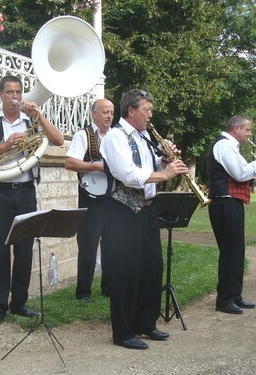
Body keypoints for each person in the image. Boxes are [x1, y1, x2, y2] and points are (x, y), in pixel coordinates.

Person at [0, 75, 64, 329]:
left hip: (25, 192)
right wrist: (5, 145)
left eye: (18, 92)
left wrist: (40, 115)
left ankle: (19, 302)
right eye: (9, 92)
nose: (14, 97)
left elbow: (58, 140)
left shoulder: (31, 118)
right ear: (0, 95)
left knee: (24, 249)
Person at [100, 89, 188, 350]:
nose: (150, 115)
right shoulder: (116, 137)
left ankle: (145, 323)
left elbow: (150, 169)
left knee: (151, 269)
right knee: (126, 273)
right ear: (131, 111)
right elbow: (128, 174)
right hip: (122, 212)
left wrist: (164, 162)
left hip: (147, 210)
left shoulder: (144, 136)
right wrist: (165, 175)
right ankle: (123, 332)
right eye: (146, 110)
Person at [207, 115, 256, 314]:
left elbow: (242, 172)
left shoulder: (231, 147)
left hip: (232, 202)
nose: (249, 134)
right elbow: (240, 173)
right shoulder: (224, 146)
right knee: (230, 252)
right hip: (224, 202)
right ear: (236, 128)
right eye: (247, 130)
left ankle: (234, 295)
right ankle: (225, 299)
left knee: (237, 251)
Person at [65, 98, 115, 302]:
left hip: (113, 197)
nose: (109, 116)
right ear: (94, 114)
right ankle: (83, 291)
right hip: (90, 198)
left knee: (112, 243)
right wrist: (96, 166)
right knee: (88, 244)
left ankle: (109, 287)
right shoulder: (82, 135)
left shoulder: (115, 136)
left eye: (112, 112)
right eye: (105, 112)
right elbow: (69, 162)